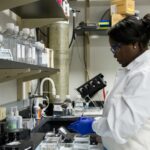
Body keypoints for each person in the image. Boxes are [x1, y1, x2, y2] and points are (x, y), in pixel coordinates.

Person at [68, 13, 150, 150]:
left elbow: (121, 126)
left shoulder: (144, 74)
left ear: (135, 44)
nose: (114, 54)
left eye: (116, 48)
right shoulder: (131, 71)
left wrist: (93, 125)